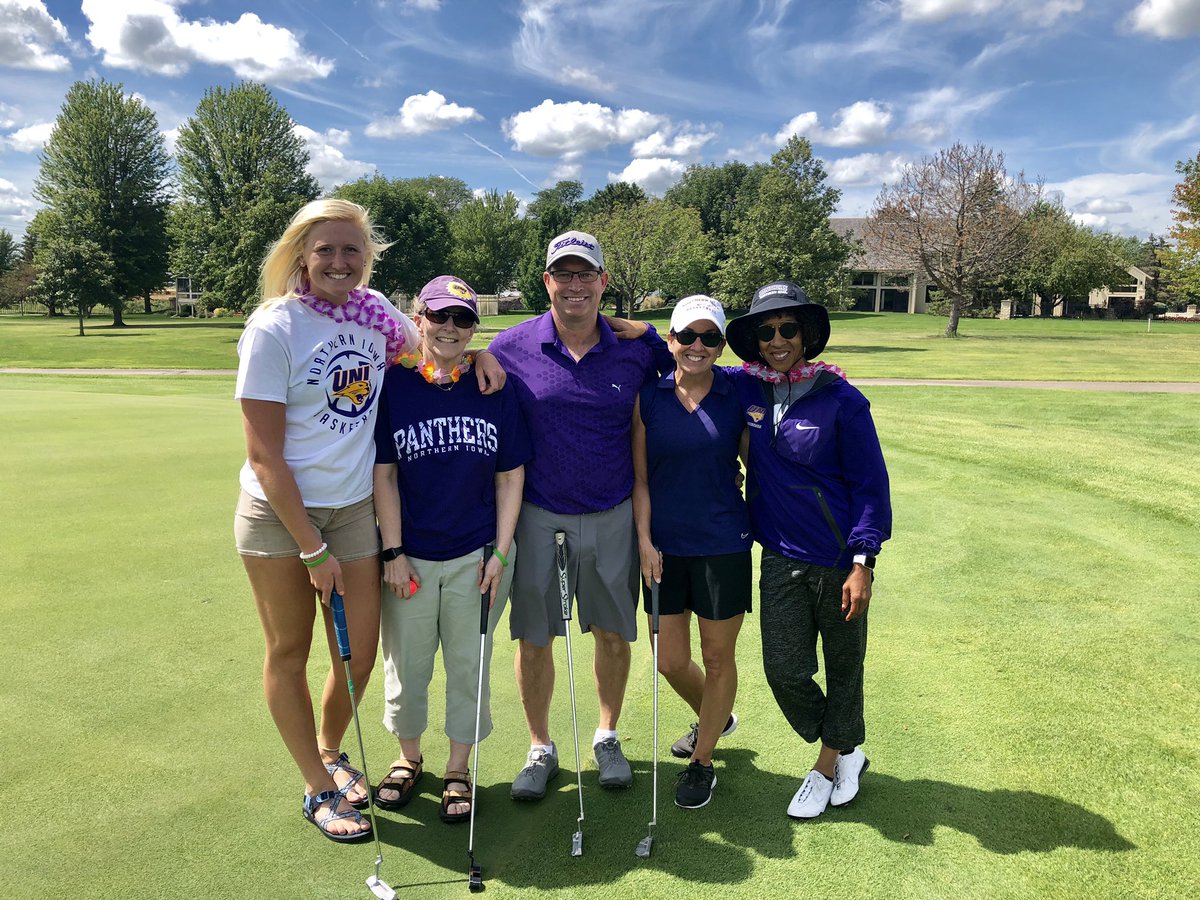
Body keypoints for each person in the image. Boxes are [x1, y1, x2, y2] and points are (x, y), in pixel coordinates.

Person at [233, 199, 503, 843]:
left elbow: (438, 346)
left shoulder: (375, 318)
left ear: (367, 258)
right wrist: (310, 551)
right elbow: (264, 455)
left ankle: (331, 748)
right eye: (324, 249)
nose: (338, 261)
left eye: (351, 249)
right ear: (301, 253)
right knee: (289, 652)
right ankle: (318, 787)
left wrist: (487, 355)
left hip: (354, 510)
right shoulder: (274, 327)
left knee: (357, 657)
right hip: (279, 517)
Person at [487, 230, 672, 799]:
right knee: (535, 637)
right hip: (540, 514)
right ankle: (540, 746)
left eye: (584, 274)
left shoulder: (636, 350)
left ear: (602, 282)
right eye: (562, 274)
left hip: (613, 510)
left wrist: (652, 331)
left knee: (615, 633)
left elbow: (683, 364)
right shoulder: (509, 348)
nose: (573, 285)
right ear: (547, 281)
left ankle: (607, 734)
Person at [723, 280, 892, 820]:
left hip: (841, 560)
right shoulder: (744, 389)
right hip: (780, 558)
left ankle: (825, 764)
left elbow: (871, 486)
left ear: (807, 334)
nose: (777, 340)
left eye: (788, 328)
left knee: (845, 669)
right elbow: (681, 356)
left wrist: (863, 563)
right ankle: (846, 745)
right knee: (785, 672)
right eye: (766, 330)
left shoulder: (842, 398)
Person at [371, 275, 530, 824]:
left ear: (473, 328)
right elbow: (383, 475)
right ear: (419, 319)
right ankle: (408, 758)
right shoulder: (394, 384)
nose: (450, 328)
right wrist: (392, 553)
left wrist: (502, 553)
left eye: (463, 320)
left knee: (469, 667)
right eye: (439, 316)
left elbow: (511, 477)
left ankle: (459, 768)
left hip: (478, 556)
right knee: (407, 666)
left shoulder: (493, 387)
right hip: (409, 558)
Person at [631, 295, 752, 810]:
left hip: (723, 544)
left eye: (710, 338)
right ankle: (715, 718)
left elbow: (762, 466)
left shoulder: (738, 393)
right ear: (671, 340)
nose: (697, 346)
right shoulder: (649, 397)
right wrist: (643, 541)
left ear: (722, 345)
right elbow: (639, 480)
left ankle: (702, 762)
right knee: (671, 661)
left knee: (717, 657)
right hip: (663, 549)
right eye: (687, 336)